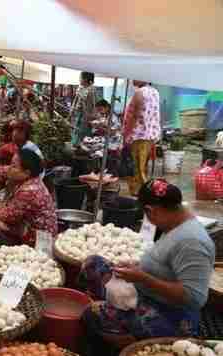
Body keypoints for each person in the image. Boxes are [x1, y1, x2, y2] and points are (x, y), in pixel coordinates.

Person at [79, 179, 215, 355]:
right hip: (146, 293)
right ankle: (114, 312)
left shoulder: (192, 242)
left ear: (151, 211)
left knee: (91, 314)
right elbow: (166, 266)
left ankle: (125, 343)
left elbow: (194, 297)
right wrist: (138, 267)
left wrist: (143, 278)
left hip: (170, 317)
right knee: (93, 264)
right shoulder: (175, 224)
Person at [123, 81, 161, 196]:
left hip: (138, 135)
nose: (133, 79)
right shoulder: (155, 92)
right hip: (149, 135)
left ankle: (146, 193)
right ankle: (138, 190)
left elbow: (134, 115)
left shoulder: (140, 93)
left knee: (137, 167)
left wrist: (127, 132)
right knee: (142, 166)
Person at [92, 99, 123, 175]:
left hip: (114, 142)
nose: (100, 111)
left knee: (96, 149)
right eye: (98, 110)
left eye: (100, 109)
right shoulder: (107, 115)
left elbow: (112, 132)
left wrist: (99, 127)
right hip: (108, 139)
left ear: (106, 107)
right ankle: (101, 170)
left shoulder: (113, 117)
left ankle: (106, 171)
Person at [71, 71, 96, 147]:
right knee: (76, 131)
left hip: (85, 116)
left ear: (85, 79)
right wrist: (72, 110)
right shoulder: (80, 88)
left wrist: (86, 118)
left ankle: (80, 147)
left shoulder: (90, 91)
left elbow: (90, 106)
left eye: (80, 78)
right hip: (78, 114)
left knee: (82, 134)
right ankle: (76, 145)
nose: (79, 79)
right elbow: (76, 100)